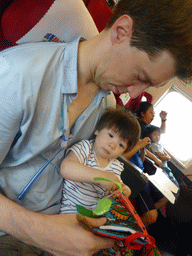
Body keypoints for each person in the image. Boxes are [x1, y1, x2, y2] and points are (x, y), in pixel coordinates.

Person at [0, 0, 192, 254]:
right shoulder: (17, 74)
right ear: (121, 31)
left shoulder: (107, 107)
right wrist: (44, 233)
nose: (135, 92)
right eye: (140, 76)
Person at [60, 108, 140, 215]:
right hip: (71, 212)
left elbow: (113, 194)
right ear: (97, 130)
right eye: (111, 135)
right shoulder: (85, 148)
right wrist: (102, 177)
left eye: (121, 145)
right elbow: (66, 168)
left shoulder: (116, 167)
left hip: (96, 216)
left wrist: (124, 191)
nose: (113, 145)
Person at [123, 137, 168, 227]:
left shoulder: (138, 142)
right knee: (152, 216)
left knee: (166, 197)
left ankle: (138, 215)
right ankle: (130, 227)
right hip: (134, 176)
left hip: (143, 174)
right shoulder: (126, 141)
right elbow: (120, 157)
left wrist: (143, 149)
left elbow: (141, 161)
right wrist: (139, 145)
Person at [136, 101, 168, 167]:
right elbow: (140, 143)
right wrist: (155, 159)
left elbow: (161, 131)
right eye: (151, 112)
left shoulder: (148, 125)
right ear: (142, 114)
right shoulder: (139, 126)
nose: (153, 115)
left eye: (154, 112)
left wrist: (163, 120)